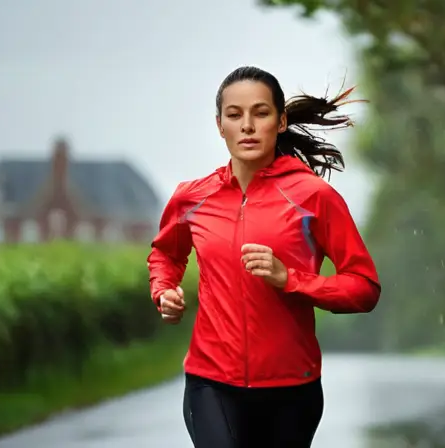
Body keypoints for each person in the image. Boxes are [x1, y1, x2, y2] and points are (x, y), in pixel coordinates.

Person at [146, 65, 381, 448]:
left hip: (292, 388)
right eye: (235, 115)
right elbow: (166, 254)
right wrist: (164, 290)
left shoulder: (313, 197)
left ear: (281, 120)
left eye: (261, 113)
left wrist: (290, 279)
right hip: (211, 382)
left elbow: (364, 288)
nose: (248, 126)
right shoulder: (192, 198)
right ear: (220, 125)